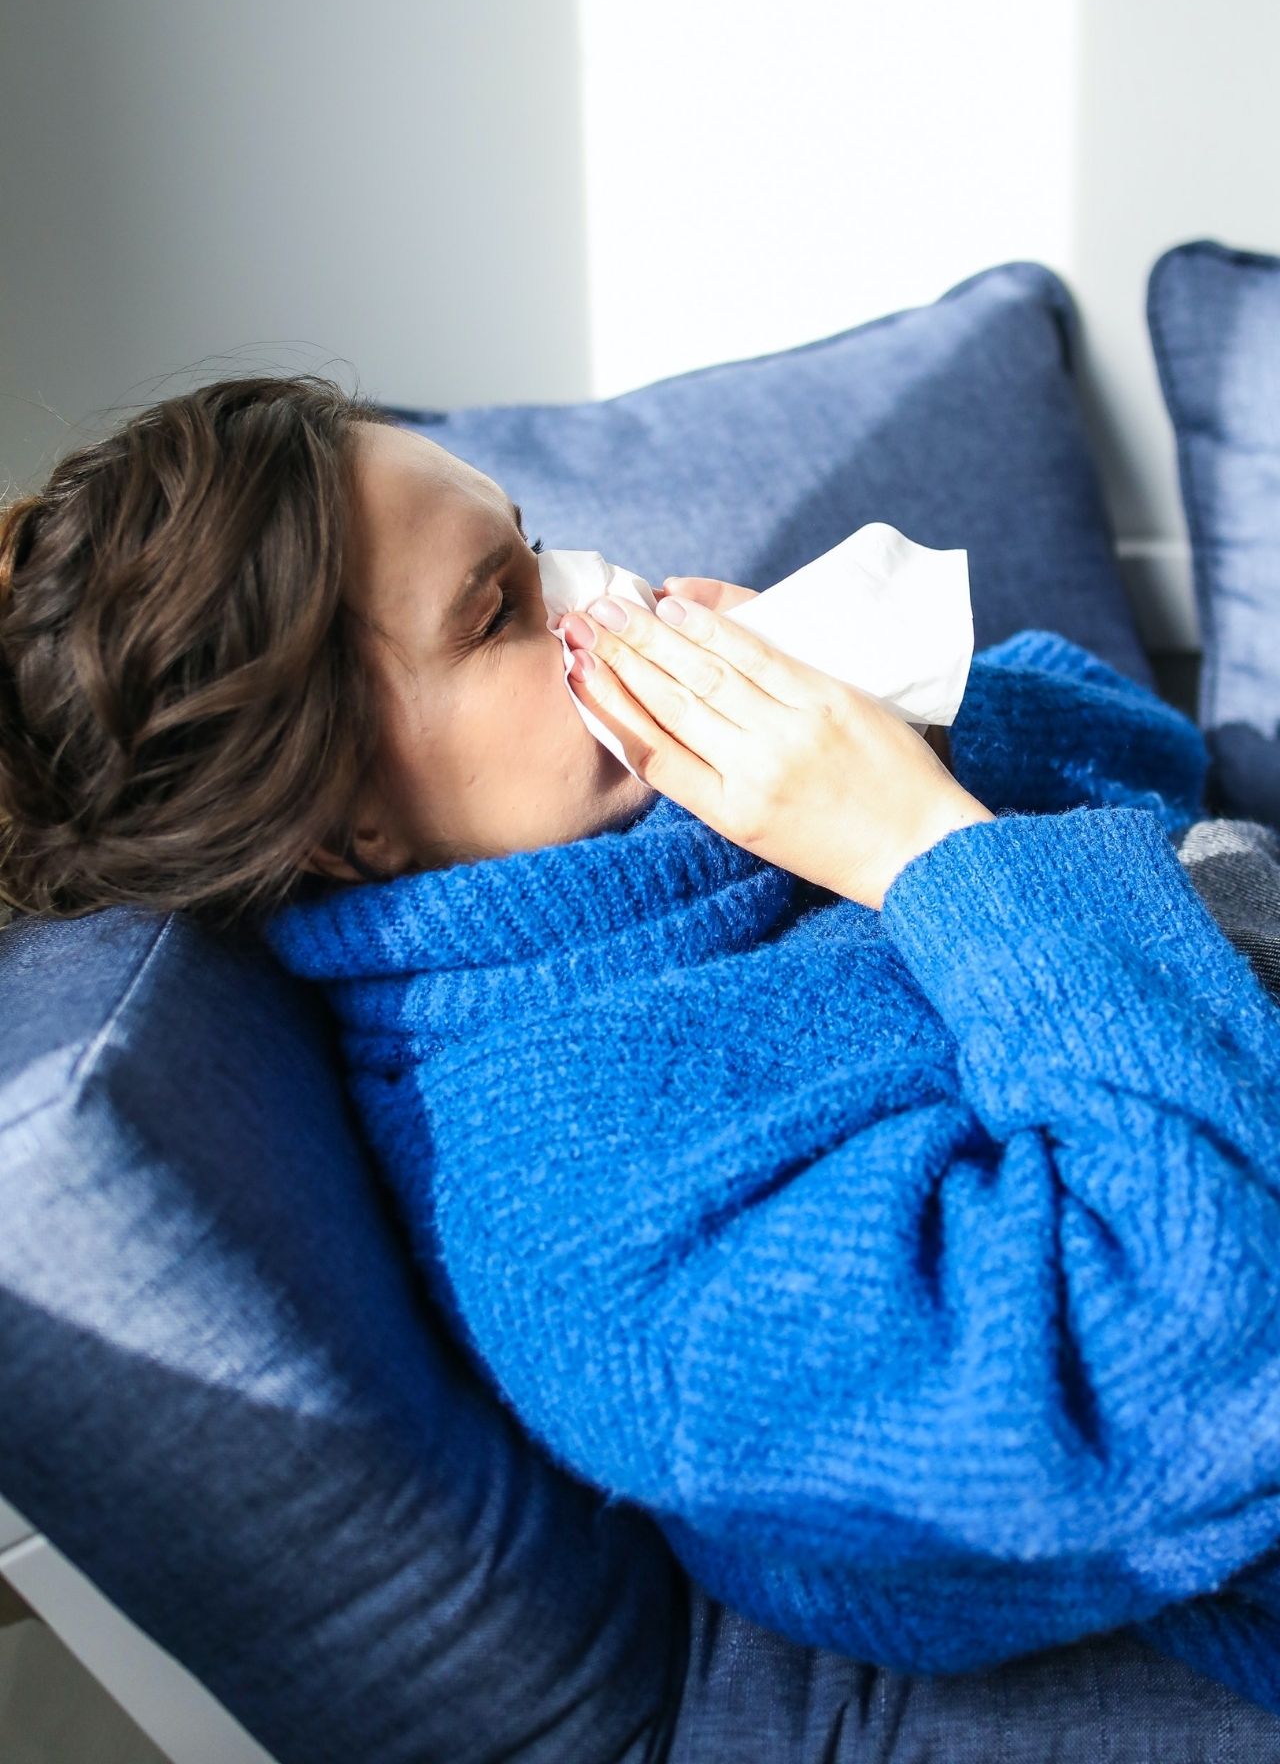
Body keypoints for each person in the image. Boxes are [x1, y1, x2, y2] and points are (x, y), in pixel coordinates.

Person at [4, 375, 1280, 1724]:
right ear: (342, 822)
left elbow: (1159, 764)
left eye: (535, 539)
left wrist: (897, 719)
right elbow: (1201, 1350)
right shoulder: (575, 1212)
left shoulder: (683, 838)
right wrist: (919, 845)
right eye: (499, 610)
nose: (606, 587)